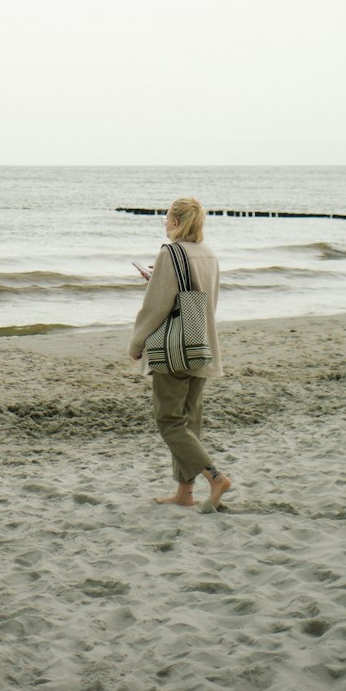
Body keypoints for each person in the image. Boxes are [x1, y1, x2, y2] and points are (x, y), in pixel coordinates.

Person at [129, 197, 232, 509]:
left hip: (174, 349)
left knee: (169, 421)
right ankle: (185, 494)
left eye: (166, 217)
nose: (164, 222)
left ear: (175, 221)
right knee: (189, 422)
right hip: (202, 344)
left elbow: (156, 306)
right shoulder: (208, 253)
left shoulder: (170, 252)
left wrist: (136, 343)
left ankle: (215, 477)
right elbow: (200, 299)